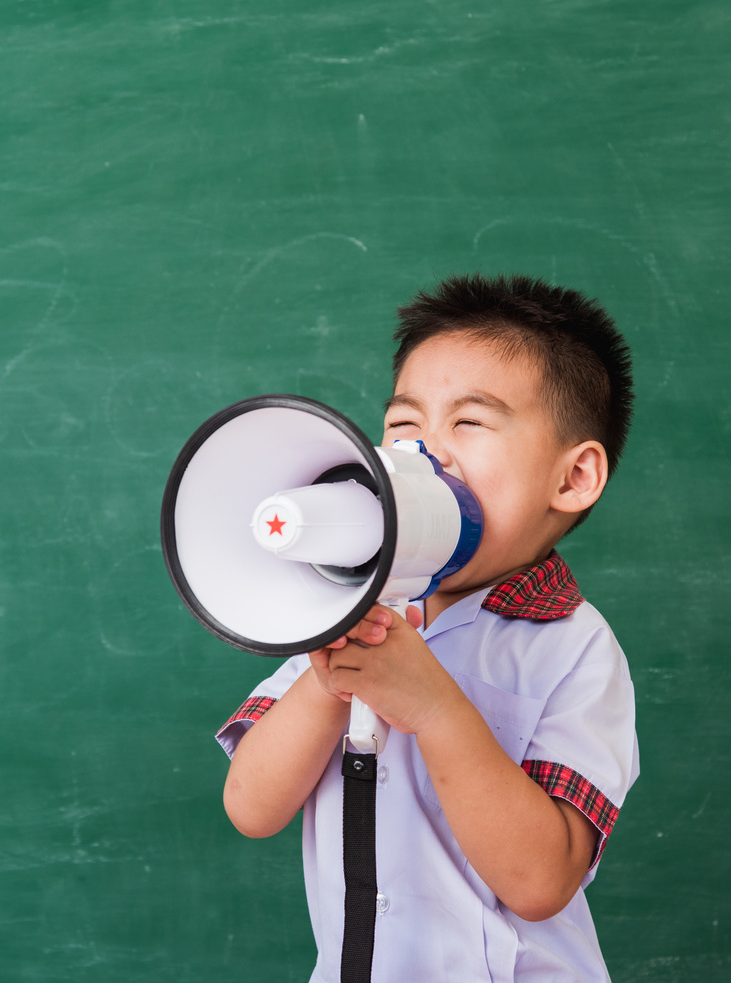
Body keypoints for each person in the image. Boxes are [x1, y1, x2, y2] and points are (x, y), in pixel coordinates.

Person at [216, 274, 640, 982]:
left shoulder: (574, 647)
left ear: (573, 478)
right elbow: (252, 806)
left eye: (469, 423)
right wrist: (328, 683)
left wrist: (435, 706)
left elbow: (540, 881)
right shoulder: (339, 614)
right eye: (404, 426)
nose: (425, 454)